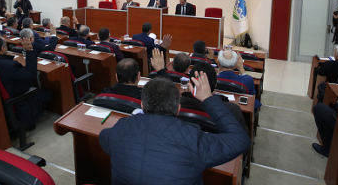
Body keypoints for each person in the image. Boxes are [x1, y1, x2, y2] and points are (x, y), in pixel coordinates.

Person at [100, 72, 251, 185]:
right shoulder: (192, 138)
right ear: (178, 109)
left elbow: (103, 137)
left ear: (142, 105)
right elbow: (240, 140)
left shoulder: (120, 128)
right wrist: (207, 99)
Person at [0, 31, 51, 129]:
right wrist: (30, 51)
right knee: (48, 94)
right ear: (2, 49)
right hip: (18, 97)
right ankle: (31, 119)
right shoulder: (9, 66)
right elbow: (31, 74)